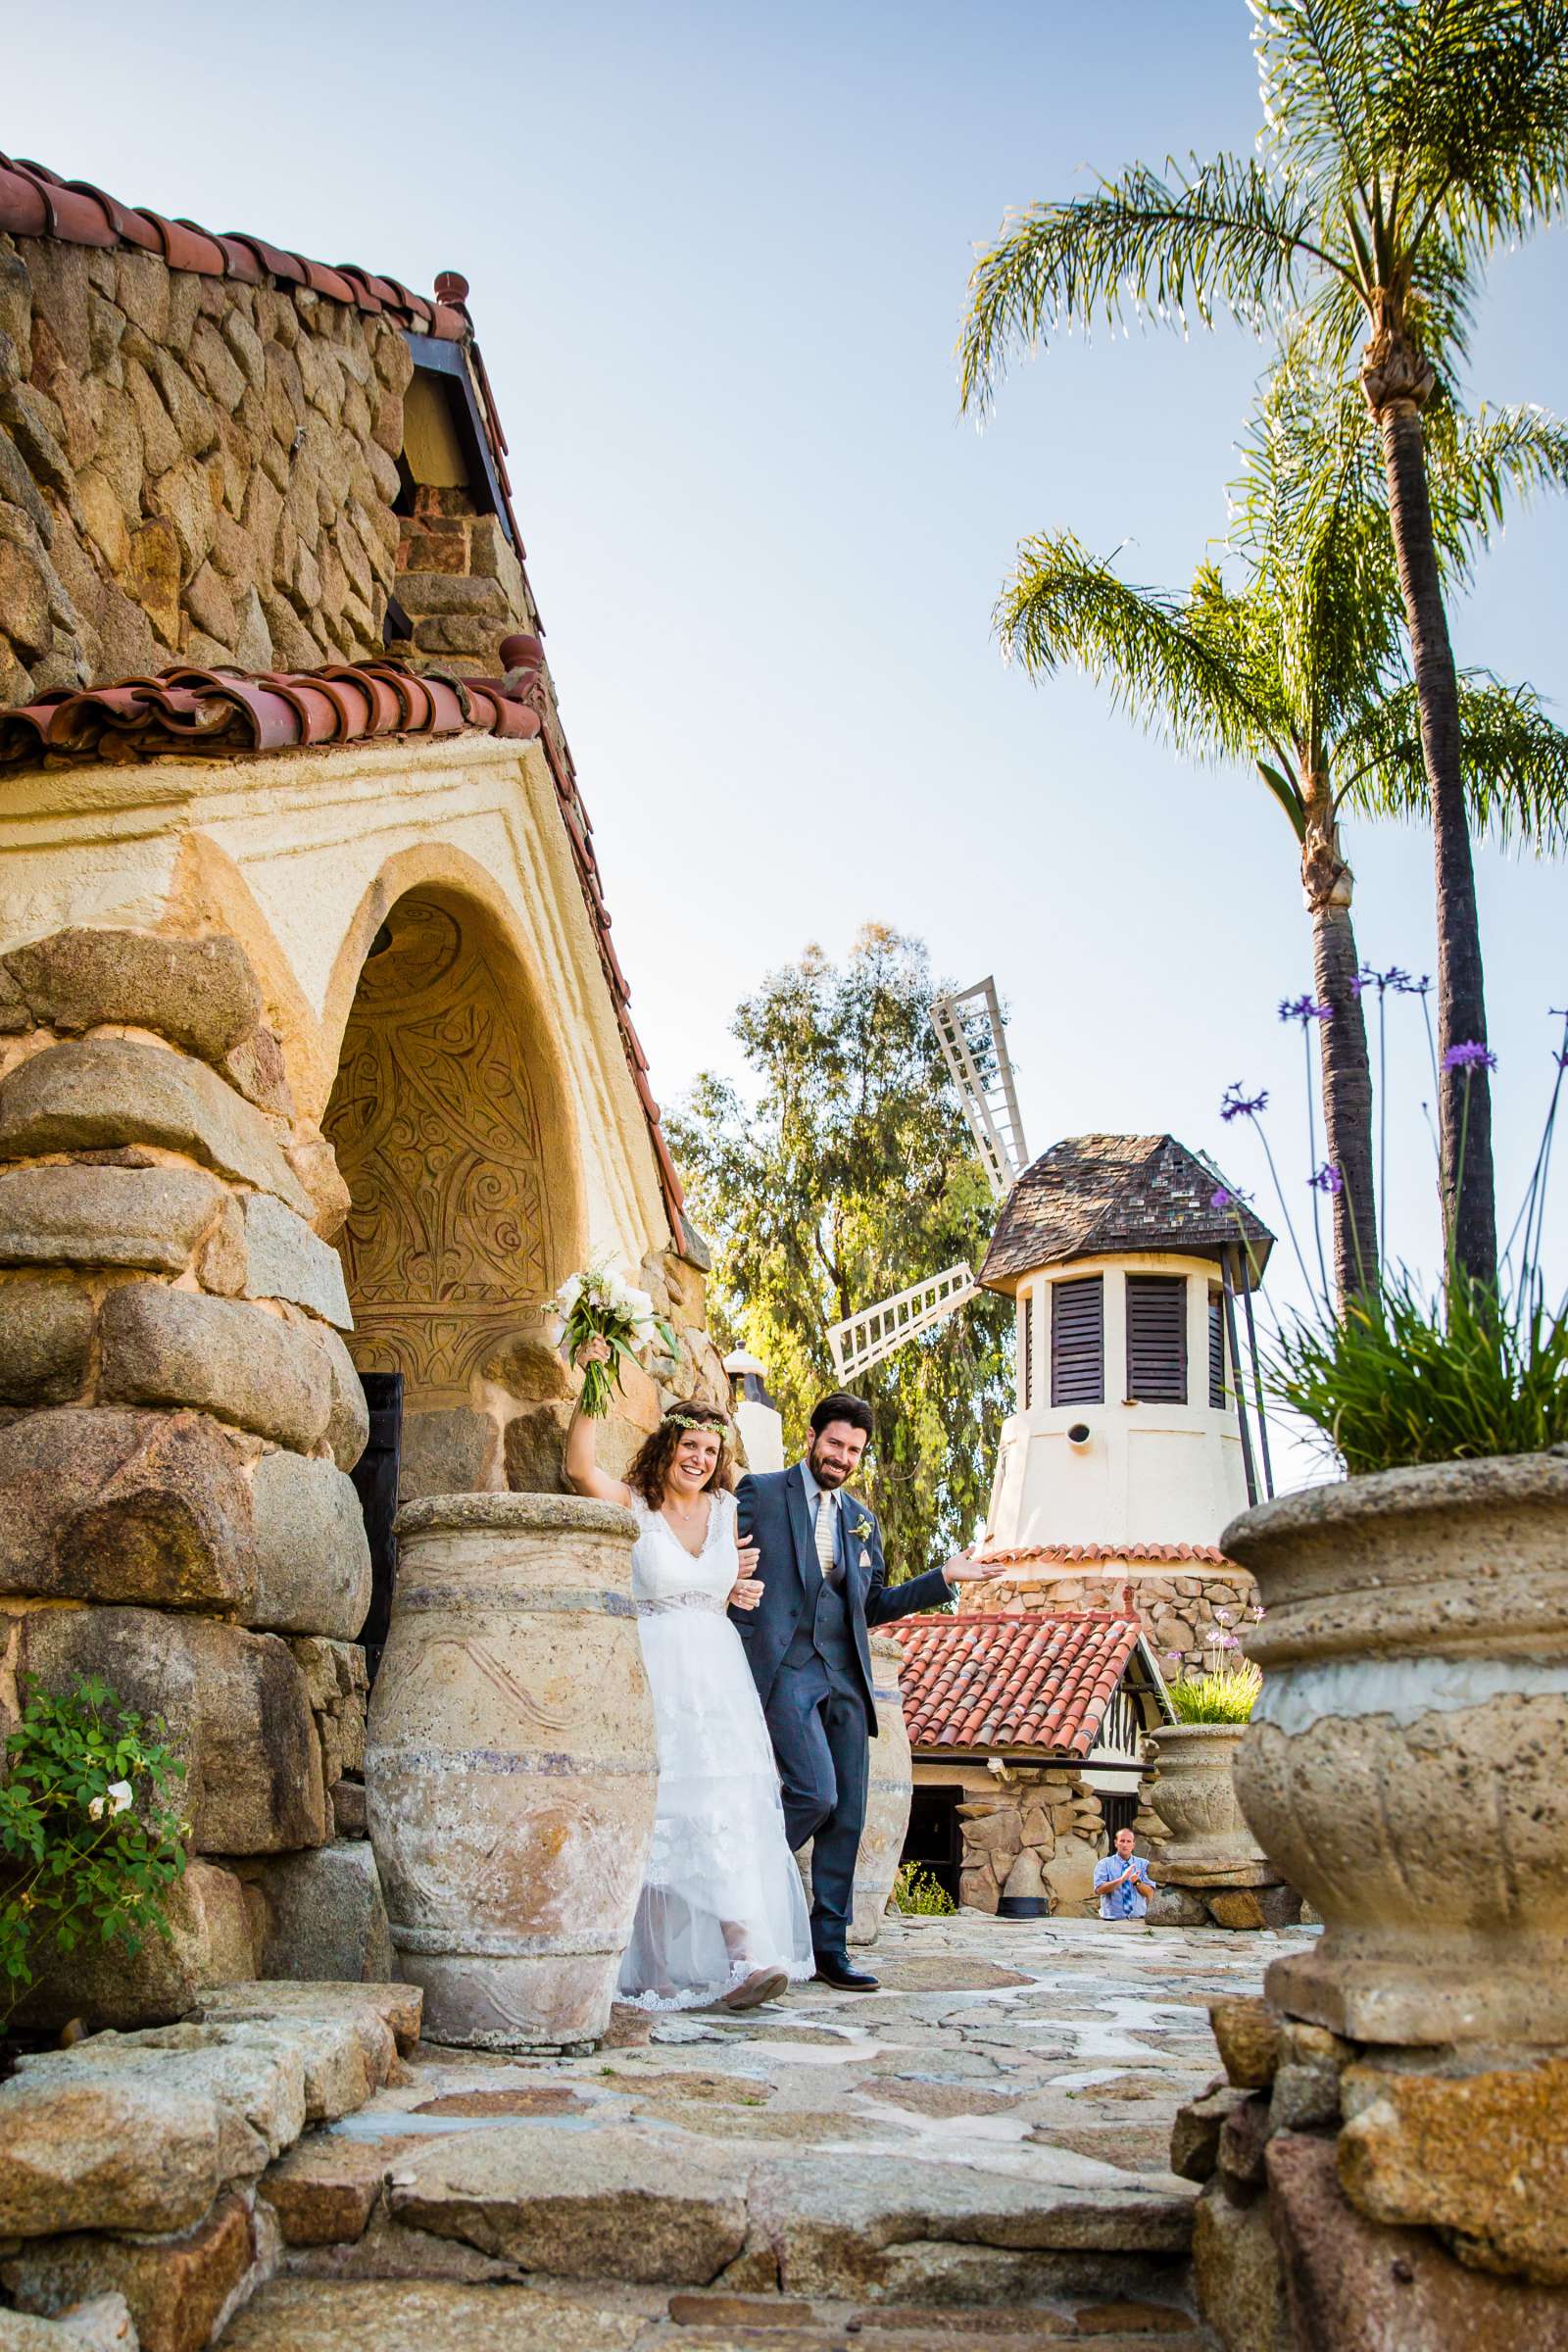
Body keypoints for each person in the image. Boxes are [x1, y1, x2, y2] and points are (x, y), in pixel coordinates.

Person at [565, 1338, 812, 2011]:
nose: (700, 1460)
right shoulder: (636, 1507)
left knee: (725, 1810)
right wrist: (591, 1376)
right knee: (657, 1811)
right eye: (689, 1448)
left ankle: (747, 1956)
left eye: (711, 1451)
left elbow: (729, 1581)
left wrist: (735, 1592)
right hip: (653, 1669)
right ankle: (649, 1971)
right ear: (666, 1449)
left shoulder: (729, 1512)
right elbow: (578, 1465)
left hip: (717, 1680)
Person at [735, 1390, 1008, 1990]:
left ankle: (827, 1947)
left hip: (848, 1678)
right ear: (811, 1438)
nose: (843, 1457)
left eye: (854, 1449)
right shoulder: (760, 1491)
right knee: (815, 1794)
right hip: (785, 1670)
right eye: (835, 1443)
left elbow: (874, 1605)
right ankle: (735, 1881)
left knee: (849, 1816)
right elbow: (730, 1567)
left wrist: (943, 1578)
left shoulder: (862, 1518)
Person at [1094, 1826, 1155, 1922]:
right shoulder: (1104, 1864)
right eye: (1122, 1841)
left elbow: (1150, 1893)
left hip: (1138, 1921)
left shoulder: (1144, 1864)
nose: (1125, 1845)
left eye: (1128, 1841)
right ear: (1115, 1843)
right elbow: (1099, 1890)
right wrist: (1122, 1879)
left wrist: (1137, 1881)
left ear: (1133, 1844)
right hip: (1111, 1921)